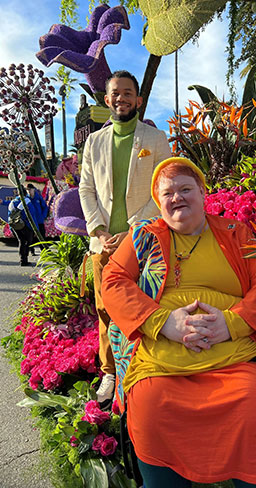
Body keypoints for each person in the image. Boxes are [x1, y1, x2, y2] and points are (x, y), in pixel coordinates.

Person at [101, 157, 256, 488]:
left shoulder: (236, 233)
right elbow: (114, 280)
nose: (177, 198)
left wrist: (232, 323)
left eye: (186, 189)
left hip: (234, 357)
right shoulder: (143, 237)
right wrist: (162, 322)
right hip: (161, 360)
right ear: (158, 203)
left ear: (202, 192)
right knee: (151, 405)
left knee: (252, 404)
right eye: (167, 193)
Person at [79, 70, 171, 408]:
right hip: (103, 244)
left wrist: (132, 228)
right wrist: (99, 231)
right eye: (116, 93)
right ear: (107, 100)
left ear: (139, 99)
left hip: (141, 240)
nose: (122, 98)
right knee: (106, 310)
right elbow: (85, 189)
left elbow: (163, 188)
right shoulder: (94, 142)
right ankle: (109, 372)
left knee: (145, 305)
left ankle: (143, 369)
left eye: (128, 93)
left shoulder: (156, 138)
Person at [5, 187, 38, 266]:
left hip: (16, 225)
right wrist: (35, 228)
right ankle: (25, 259)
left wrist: (11, 228)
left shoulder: (13, 202)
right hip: (26, 225)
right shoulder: (27, 201)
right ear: (25, 193)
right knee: (28, 242)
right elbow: (32, 215)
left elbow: (10, 216)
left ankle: (22, 259)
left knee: (21, 241)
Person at [26, 183, 48, 253]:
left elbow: (45, 207)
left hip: (39, 220)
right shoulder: (26, 199)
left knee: (42, 236)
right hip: (31, 221)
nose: (29, 191)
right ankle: (32, 250)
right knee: (30, 237)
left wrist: (43, 216)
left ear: (33, 189)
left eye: (30, 190)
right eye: (27, 190)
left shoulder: (38, 197)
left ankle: (43, 251)